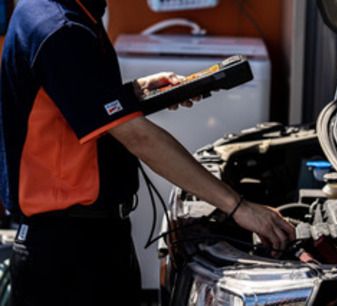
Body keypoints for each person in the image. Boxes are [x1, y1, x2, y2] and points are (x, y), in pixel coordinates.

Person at [0, 0, 295, 305]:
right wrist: (238, 208)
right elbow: (138, 138)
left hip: (91, 239)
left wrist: (134, 93)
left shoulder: (57, 10)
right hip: (67, 255)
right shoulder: (60, 30)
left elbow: (77, 101)